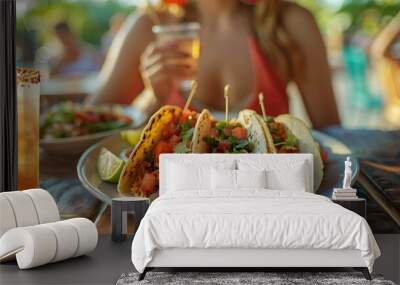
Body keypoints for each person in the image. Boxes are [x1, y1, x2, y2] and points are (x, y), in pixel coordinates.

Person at [88, 0, 339, 129]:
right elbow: (89, 129)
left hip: (267, 203)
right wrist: (151, 98)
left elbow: (332, 136)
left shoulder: (290, 23)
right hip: (170, 209)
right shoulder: (149, 27)